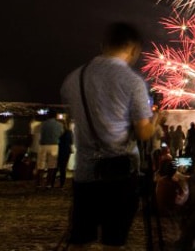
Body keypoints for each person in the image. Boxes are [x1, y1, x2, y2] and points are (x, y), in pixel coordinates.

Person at [60, 22, 156, 250]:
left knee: (80, 239)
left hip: (85, 172)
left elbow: (74, 118)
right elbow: (143, 132)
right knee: (113, 241)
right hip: (120, 173)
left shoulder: (73, 79)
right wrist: (155, 124)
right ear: (133, 50)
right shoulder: (133, 82)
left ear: (103, 45)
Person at [35, 112, 64, 189]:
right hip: (54, 145)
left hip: (43, 145)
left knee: (41, 165)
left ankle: (39, 183)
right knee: (52, 165)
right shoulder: (59, 125)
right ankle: (49, 184)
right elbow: (61, 134)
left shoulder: (42, 124)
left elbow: (38, 133)